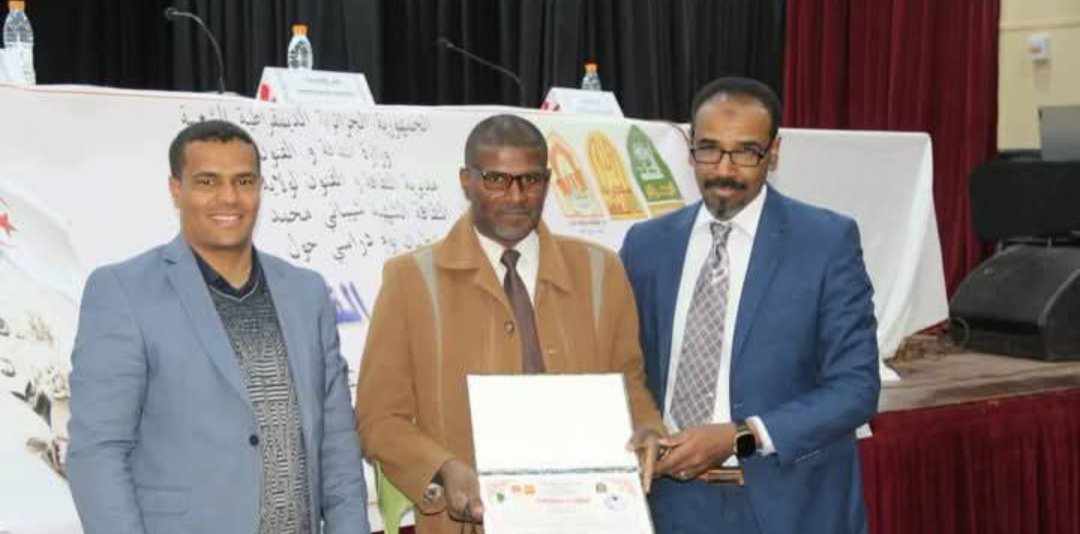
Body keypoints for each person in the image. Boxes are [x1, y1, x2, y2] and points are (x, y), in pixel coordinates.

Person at [355, 114, 664, 534]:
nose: (516, 196)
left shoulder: (600, 270)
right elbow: (379, 420)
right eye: (496, 180)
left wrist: (648, 429)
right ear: (466, 181)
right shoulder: (410, 279)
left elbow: (629, 386)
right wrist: (443, 469)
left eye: (530, 180)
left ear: (548, 181)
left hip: (588, 518)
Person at [66, 120, 370, 534]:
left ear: (260, 187)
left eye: (243, 181)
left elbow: (337, 446)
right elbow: (97, 453)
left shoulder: (306, 293)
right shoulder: (123, 292)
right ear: (176, 189)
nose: (229, 197)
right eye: (207, 182)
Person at [619, 77, 880, 534]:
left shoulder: (825, 242)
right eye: (709, 149)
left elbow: (856, 388)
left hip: (787, 504)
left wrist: (742, 436)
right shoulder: (646, 244)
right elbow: (626, 364)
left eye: (745, 152)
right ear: (690, 149)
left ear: (774, 152)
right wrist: (642, 424)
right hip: (668, 503)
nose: (724, 169)